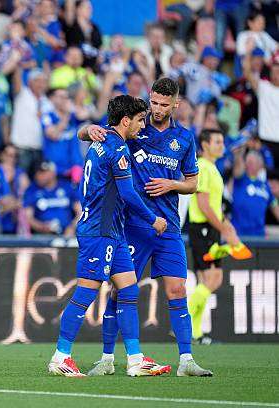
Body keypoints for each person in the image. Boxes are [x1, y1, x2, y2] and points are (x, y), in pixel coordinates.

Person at [81, 78, 212, 377]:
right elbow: (95, 134)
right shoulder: (135, 126)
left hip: (168, 226)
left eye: (164, 104)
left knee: (178, 289)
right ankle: (106, 358)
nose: (157, 109)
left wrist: (173, 184)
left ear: (176, 104)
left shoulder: (185, 139)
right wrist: (87, 129)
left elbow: (193, 183)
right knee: (121, 290)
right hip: (134, 225)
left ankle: (187, 360)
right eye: (154, 102)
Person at [48, 94, 170, 377]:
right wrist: (153, 220)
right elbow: (127, 193)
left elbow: (84, 134)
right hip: (99, 232)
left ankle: (135, 359)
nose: (143, 125)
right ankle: (60, 356)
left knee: (128, 289)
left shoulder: (100, 140)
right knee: (86, 291)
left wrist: (86, 128)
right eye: (140, 120)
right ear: (126, 120)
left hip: (112, 232)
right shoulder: (118, 149)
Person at [188, 129, 241, 343]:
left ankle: (196, 334)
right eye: (217, 141)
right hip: (203, 228)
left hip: (208, 228)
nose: (222, 145)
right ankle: (183, 319)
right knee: (213, 278)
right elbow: (203, 205)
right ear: (205, 144)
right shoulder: (202, 166)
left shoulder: (212, 168)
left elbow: (214, 206)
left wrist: (227, 227)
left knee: (206, 279)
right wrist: (223, 228)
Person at [23, 161, 81, 236]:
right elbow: (27, 217)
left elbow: (80, 213)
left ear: (53, 173)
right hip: (42, 236)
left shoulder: (67, 187)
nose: (39, 175)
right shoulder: (32, 190)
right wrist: (41, 227)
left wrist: (72, 227)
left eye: (43, 172)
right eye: (38, 172)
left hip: (67, 234)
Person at [230, 148, 279, 236]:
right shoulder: (240, 178)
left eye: (252, 162)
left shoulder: (265, 185)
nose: (249, 165)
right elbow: (237, 169)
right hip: (238, 233)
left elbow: (274, 206)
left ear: (260, 165)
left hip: (258, 235)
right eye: (247, 162)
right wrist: (239, 155)